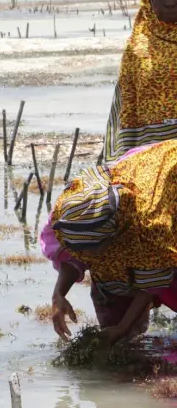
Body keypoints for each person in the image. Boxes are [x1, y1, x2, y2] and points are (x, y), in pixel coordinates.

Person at [44, 140, 177, 345]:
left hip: (168, 180)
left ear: (114, 236)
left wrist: (123, 328)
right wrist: (58, 295)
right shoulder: (68, 216)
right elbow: (72, 256)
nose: (91, 259)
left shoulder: (151, 225)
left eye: (96, 250)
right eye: (85, 254)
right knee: (113, 319)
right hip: (137, 173)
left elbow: (154, 279)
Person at [105, 0, 177, 163]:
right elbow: (126, 106)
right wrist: (122, 161)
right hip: (152, 159)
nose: (170, 3)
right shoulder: (138, 48)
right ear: (149, 0)